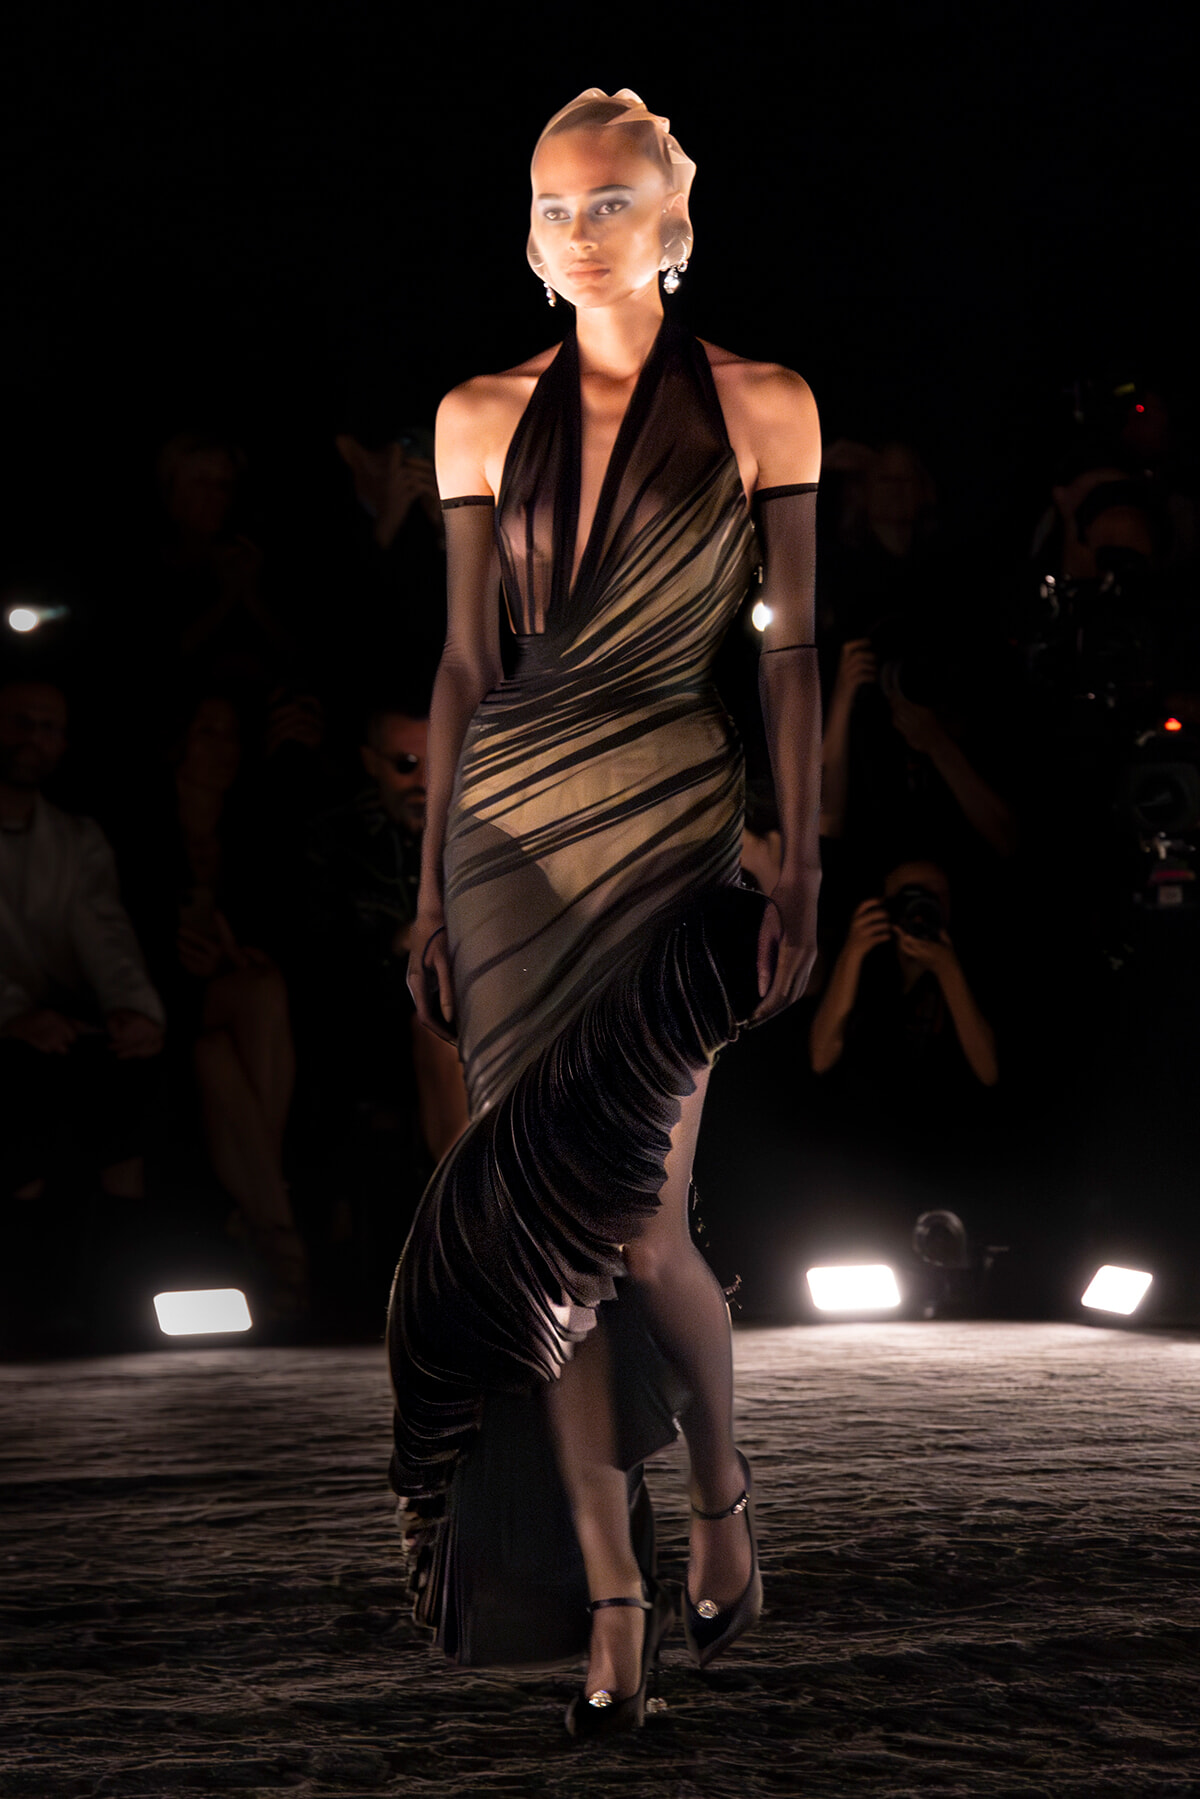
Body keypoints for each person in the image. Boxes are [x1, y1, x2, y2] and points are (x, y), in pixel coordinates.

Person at [386, 89, 821, 1736]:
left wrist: (801, 861)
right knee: (541, 1256)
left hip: (673, 829)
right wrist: (429, 877)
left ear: (675, 222)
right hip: (507, 843)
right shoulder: (474, 412)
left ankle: (718, 1491)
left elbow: (783, 649)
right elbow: (462, 662)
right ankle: (612, 1600)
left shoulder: (768, 402)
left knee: (643, 1228)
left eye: (615, 198)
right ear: (526, 227)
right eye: (557, 203)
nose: (584, 227)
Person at [0, 678, 164, 1209]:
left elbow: (103, 929)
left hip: (58, 1026)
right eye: (22, 721)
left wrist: (132, 1009)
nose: (34, 738)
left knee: (124, 1105)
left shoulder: (75, 838)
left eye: (49, 728)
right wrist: (13, 1015)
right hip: (15, 1033)